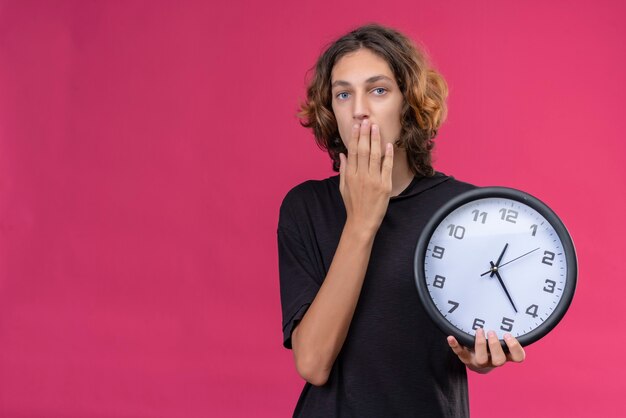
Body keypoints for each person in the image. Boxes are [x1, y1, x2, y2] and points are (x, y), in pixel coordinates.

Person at [277, 23, 525, 417]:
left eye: (378, 90)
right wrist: (362, 221)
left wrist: (480, 354)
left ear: (408, 103)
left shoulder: (464, 209)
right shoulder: (305, 207)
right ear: (331, 110)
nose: (359, 108)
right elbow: (313, 364)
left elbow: (483, 324)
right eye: (343, 94)